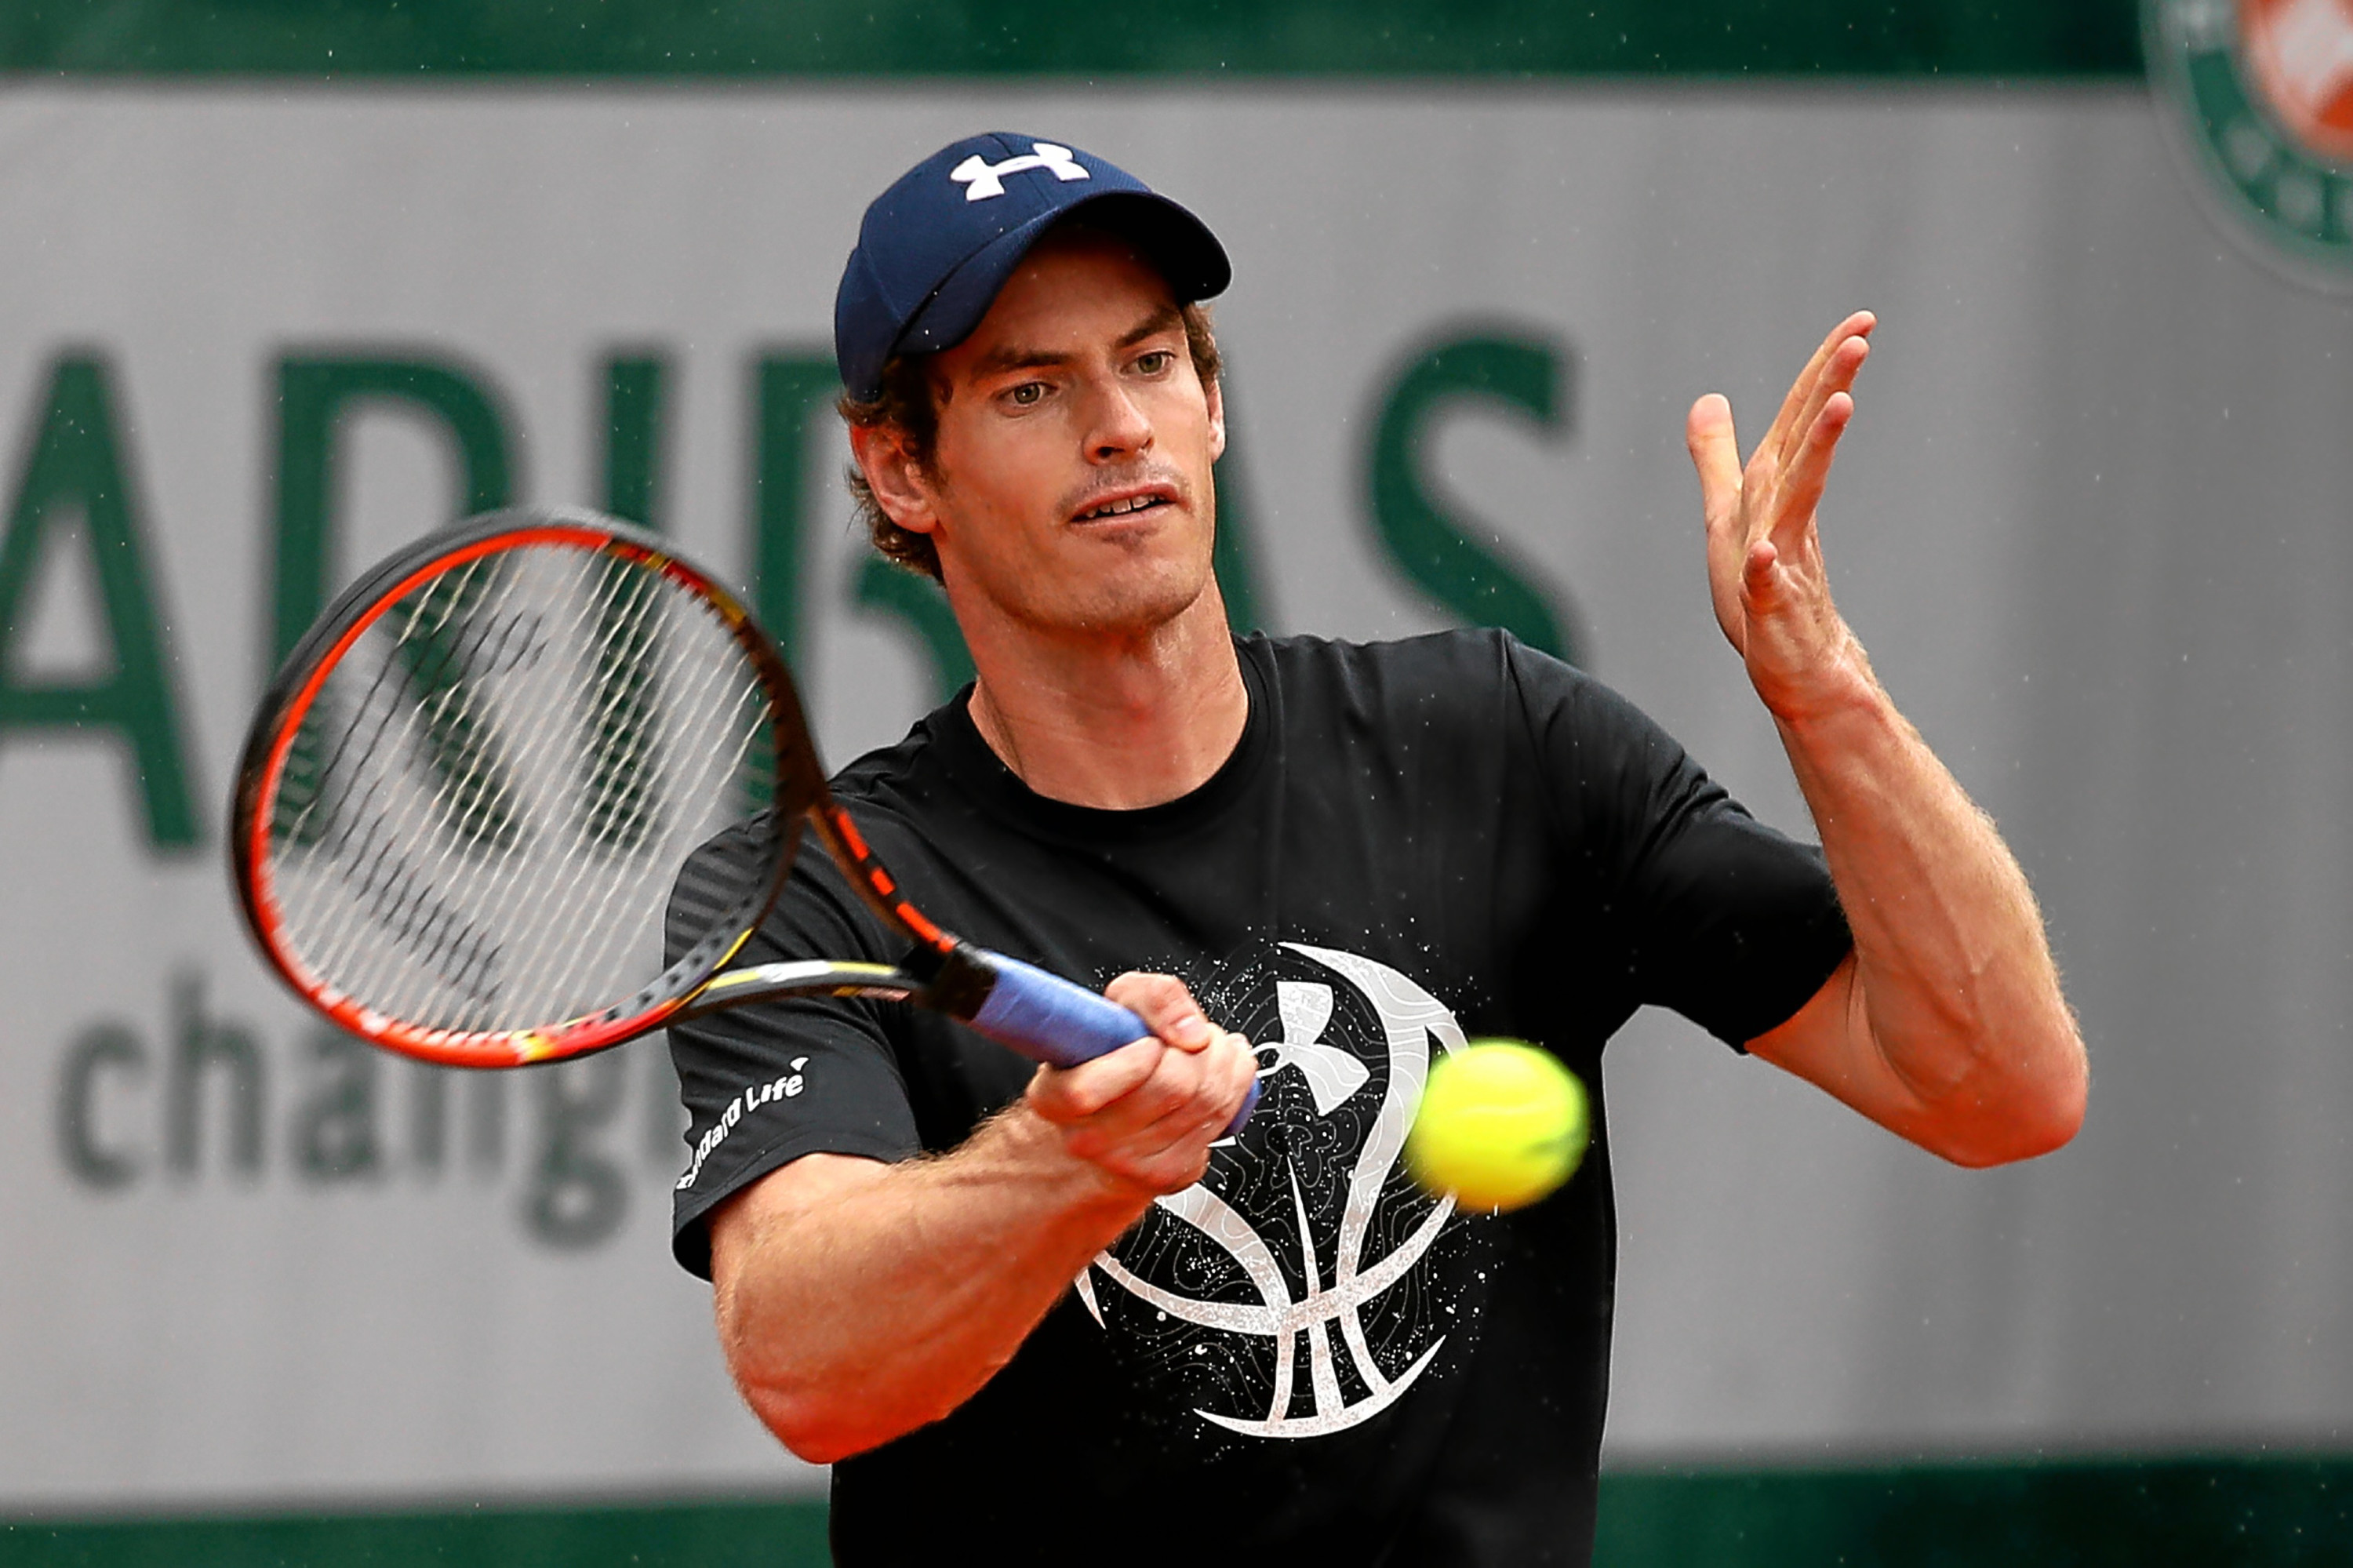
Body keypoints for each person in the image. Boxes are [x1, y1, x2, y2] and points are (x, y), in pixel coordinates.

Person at [666, 132, 2086, 1565]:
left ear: (1212, 403)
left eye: (1152, 363)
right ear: (902, 467)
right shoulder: (812, 886)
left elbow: (1997, 1088)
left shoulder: (1500, 742)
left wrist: (1817, 678)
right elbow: (806, 1365)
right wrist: (1062, 1162)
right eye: (1033, 389)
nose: (1119, 427)